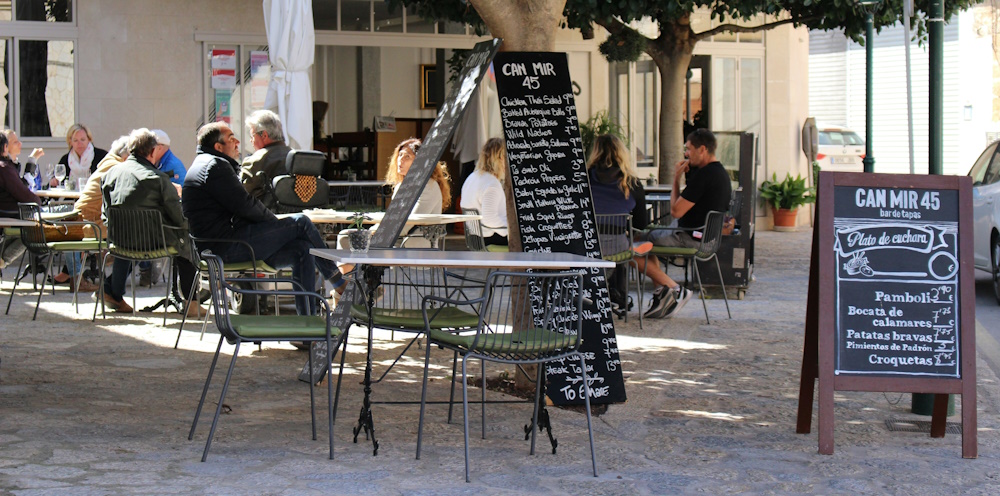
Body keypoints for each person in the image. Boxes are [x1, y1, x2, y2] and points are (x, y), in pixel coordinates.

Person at [182, 122, 345, 316]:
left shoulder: (204, 163)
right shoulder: (216, 166)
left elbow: (240, 206)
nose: (237, 142)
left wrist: (275, 228)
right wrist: (276, 225)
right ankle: (339, 284)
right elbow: (245, 204)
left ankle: (306, 323)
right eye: (231, 138)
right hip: (224, 248)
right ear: (218, 147)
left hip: (218, 246)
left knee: (303, 249)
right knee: (301, 222)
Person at [101, 128, 202, 316]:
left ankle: (112, 291)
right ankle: (192, 301)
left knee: (129, 235)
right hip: (153, 243)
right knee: (186, 238)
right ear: (154, 151)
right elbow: (178, 217)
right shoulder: (158, 179)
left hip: (119, 241)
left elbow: (105, 214)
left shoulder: (110, 175)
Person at [586, 134, 682, 319]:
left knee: (637, 246)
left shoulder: (583, 180)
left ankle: (665, 289)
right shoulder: (631, 183)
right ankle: (668, 288)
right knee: (640, 244)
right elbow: (640, 225)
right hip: (618, 247)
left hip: (586, 247)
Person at [641, 128, 732, 318]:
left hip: (689, 237)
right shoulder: (721, 173)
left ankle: (671, 290)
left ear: (703, 149)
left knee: (636, 243)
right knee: (647, 237)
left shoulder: (704, 176)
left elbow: (675, 211)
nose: (686, 153)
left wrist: (676, 177)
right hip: (707, 238)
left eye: (689, 149)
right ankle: (665, 296)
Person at [75, 135, 129, 240]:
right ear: (127, 157)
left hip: (84, 221)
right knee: (134, 229)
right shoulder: (116, 167)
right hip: (90, 224)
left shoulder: (110, 163)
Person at [0, 132, 41, 271]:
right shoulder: (4, 168)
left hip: (8, 214)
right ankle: (3, 260)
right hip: (7, 214)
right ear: (5, 147)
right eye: (15, 142)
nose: (20, 144)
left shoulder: (8, 167)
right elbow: (26, 195)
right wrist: (38, 203)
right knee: (35, 230)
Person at [239, 109, 292, 212]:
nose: (251, 141)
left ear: (264, 135)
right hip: (301, 216)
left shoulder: (256, 159)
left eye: (252, 136)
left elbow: (242, 194)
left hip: (266, 218)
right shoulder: (295, 155)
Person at [459, 137, 508, 246]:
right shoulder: (491, 184)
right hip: (488, 238)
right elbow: (490, 220)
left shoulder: (472, 177)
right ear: (500, 158)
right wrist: (511, 230)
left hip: (474, 237)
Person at [385, 138, 451, 215]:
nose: (401, 159)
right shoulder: (400, 186)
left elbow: (413, 220)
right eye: (400, 155)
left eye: (407, 156)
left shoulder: (428, 186)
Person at [57, 123, 108, 187]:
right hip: (71, 196)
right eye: (75, 140)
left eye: (83, 140)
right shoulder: (65, 159)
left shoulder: (102, 156)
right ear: (70, 142)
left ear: (89, 139)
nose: (79, 143)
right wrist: (53, 182)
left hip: (94, 196)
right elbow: (55, 184)